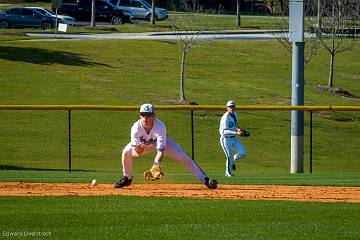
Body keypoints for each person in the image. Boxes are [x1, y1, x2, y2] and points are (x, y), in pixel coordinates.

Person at [114, 103, 217, 189]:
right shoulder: (135, 128)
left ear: (153, 116)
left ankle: (205, 180)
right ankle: (127, 178)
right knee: (125, 152)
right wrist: (138, 152)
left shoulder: (160, 126)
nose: (145, 117)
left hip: (163, 143)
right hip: (144, 146)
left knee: (183, 156)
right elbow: (135, 153)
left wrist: (156, 164)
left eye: (148, 115)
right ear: (140, 115)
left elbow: (160, 150)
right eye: (143, 114)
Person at [219, 100, 247, 177]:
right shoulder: (225, 118)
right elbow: (224, 131)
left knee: (243, 152)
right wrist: (236, 133)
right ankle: (228, 173)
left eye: (233, 106)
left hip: (234, 138)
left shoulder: (235, 114)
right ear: (227, 108)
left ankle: (233, 161)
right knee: (229, 156)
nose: (232, 108)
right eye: (230, 107)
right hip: (226, 139)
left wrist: (238, 129)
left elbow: (233, 126)